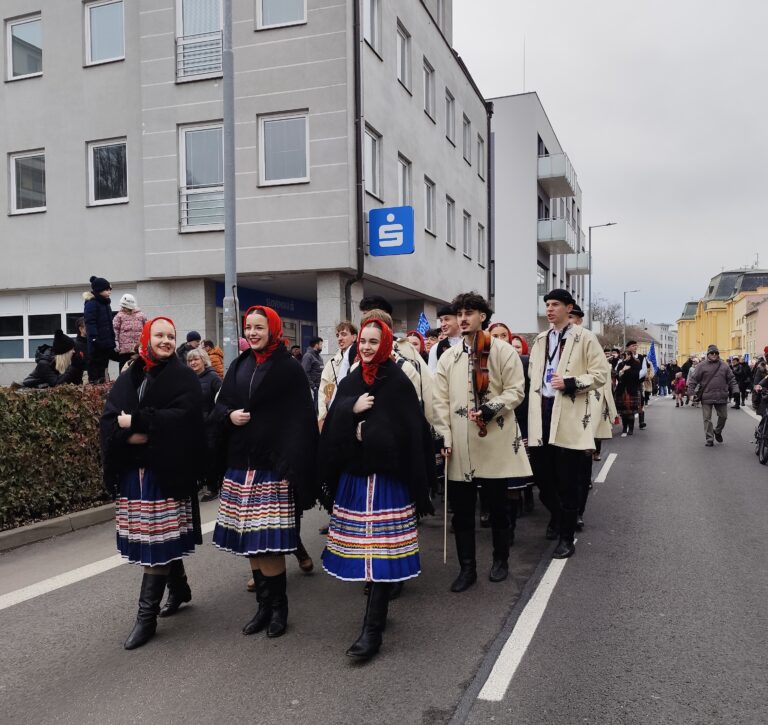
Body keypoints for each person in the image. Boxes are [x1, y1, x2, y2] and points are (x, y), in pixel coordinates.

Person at [319, 320, 434, 660]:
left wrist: (368, 433)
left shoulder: (397, 380)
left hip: (387, 481)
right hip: (357, 477)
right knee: (366, 554)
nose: (367, 347)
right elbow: (335, 417)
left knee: (380, 554)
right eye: (364, 341)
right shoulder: (352, 378)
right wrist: (350, 410)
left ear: (385, 345)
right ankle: (376, 615)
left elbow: (408, 429)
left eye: (373, 342)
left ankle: (372, 631)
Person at [211, 306, 318, 638]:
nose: (253, 332)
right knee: (251, 543)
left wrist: (293, 464)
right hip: (241, 466)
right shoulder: (240, 365)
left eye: (259, 327)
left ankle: (279, 610)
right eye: (249, 327)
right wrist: (229, 417)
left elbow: (301, 420)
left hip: (272, 468)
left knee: (268, 545)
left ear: (273, 329)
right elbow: (220, 404)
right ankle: (262, 607)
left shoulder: (288, 369)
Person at [100, 317, 204, 650]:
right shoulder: (129, 376)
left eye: (170, 336)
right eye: (159, 335)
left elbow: (186, 421)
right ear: (146, 338)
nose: (166, 340)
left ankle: (146, 618)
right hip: (135, 474)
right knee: (158, 538)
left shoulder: (184, 377)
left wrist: (141, 423)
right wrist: (130, 435)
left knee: (156, 542)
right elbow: (109, 418)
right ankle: (180, 587)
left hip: (166, 472)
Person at [433, 292, 531, 590]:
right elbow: (439, 402)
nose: (463, 318)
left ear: (482, 317)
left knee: (498, 508)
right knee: (462, 513)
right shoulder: (448, 356)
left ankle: (500, 560)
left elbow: (516, 390)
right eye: (459, 313)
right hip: (461, 445)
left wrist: (490, 408)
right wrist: (445, 437)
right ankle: (467, 569)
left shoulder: (502, 351)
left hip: (495, 441)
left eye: (469, 312)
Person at [527, 289, 606, 559]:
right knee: (541, 478)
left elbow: (601, 374)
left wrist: (572, 382)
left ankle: (566, 537)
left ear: (568, 308)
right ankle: (559, 517)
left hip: (569, 413)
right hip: (542, 413)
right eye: (547, 304)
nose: (549, 309)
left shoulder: (585, 337)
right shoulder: (540, 339)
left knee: (569, 480)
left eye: (555, 305)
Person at [187, 348, 223, 502]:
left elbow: (221, 401)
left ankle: (213, 487)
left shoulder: (213, 378)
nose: (193, 363)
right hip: (194, 425)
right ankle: (199, 483)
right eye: (190, 360)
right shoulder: (188, 379)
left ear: (204, 360)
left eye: (196, 359)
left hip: (210, 426)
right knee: (196, 456)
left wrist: (210, 418)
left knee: (211, 457)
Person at [689, 345, 739, 447]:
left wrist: (736, 390)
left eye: (716, 353)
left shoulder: (724, 366)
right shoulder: (701, 366)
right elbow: (693, 380)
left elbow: (732, 379)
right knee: (707, 418)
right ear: (708, 354)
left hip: (721, 395)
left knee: (723, 417)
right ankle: (709, 438)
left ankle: (717, 431)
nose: (714, 355)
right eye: (712, 353)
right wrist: (690, 392)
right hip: (706, 396)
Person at [318, 321, 358, 424]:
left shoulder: (362, 360)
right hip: (336, 418)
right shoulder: (331, 364)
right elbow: (324, 392)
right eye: (338, 335)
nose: (340, 338)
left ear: (354, 337)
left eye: (344, 334)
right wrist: (323, 417)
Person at [83, 275, 117, 383]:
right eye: (106, 290)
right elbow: (90, 322)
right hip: (97, 344)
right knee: (95, 370)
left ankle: (102, 389)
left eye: (109, 290)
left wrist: (112, 339)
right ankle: (94, 390)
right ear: (99, 290)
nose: (109, 292)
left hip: (105, 344)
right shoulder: (92, 303)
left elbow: (109, 323)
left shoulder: (105, 303)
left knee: (103, 369)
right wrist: (94, 339)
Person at [113, 294, 147, 372]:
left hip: (138, 349)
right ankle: (123, 383)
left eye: (126, 307)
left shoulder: (141, 315)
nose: (124, 308)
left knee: (139, 369)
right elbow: (115, 330)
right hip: (124, 350)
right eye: (123, 306)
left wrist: (145, 344)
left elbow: (146, 329)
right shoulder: (119, 316)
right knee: (124, 370)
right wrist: (116, 343)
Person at [615, 346, 643, 436]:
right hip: (622, 389)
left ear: (630, 355)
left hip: (632, 389)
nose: (624, 357)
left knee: (631, 411)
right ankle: (624, 428)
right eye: (623, 355)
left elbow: (637, 376)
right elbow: (617, 376)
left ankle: (630, 428)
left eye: (626, 355)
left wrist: (628, 370)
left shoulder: (636, 363)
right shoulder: (621, 364)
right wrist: (622, 371)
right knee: (623, 412)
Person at [429, 305, 463, 372]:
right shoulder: (436, 348)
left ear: (458, 319)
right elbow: (433, 376)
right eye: (441, 321)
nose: (443, 324)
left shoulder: (470, 343)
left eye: (447, 319)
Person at [302, 336, 324, 411]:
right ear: (316, 345)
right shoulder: (308, 356)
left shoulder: (318, 356)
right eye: (321, 345)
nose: (322, 347)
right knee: (313, 410)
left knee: (318, 409)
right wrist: (313, 387)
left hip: (319, 387)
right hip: (313, 389)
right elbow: (304, 372)